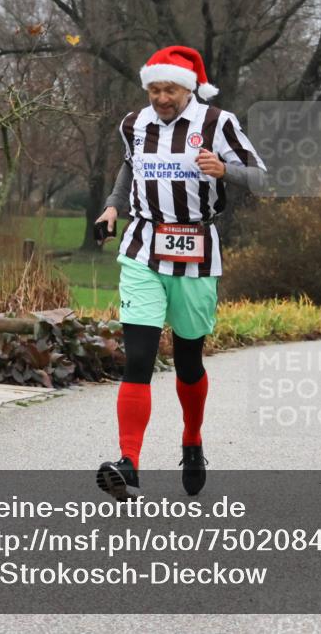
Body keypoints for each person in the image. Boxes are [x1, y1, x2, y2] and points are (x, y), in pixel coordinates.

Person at [94, 46, 266, 501]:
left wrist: (224, 169)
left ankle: (192, 439)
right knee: (138, 359)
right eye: (154, 89)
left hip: (197, 251)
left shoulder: (218, 124)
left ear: (188, 88)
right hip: (142, 248)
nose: (161, 98)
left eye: (169, 89)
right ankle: (128, 464)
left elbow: (263, 177)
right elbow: (129, 168)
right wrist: (112, 207)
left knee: (189, 362)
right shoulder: (134, 124)